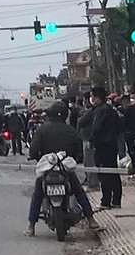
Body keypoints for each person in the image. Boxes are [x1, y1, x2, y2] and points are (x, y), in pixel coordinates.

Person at [25, 101, 101, 236]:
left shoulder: (42, 130)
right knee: (79, 192)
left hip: (48, 170)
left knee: (37, 194)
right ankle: (91, 220)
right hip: (65, 169)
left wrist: (38, 158)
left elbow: (33, 151)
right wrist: (72, 159)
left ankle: (31, 226)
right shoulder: (71, 130)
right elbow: (79, 153)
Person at [90, 86, 122, 209]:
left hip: (103, 146)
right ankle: (116, 200)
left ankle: (106, 201)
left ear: (97, 97)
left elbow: (96, 129)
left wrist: (94, 140)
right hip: (112, 145)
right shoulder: (111, 109)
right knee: (113, 172)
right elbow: (119, 125)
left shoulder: (100, 111)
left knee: (104, 174)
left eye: (92, 96)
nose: (91, 99)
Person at [77, 95, 99, 189]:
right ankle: (91, 181)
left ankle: (93, 183)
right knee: (88, 162)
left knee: (90, 162)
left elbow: (80, 122)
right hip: (86, 139)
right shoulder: (92, 111)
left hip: (89, 140)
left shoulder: (89, 112)